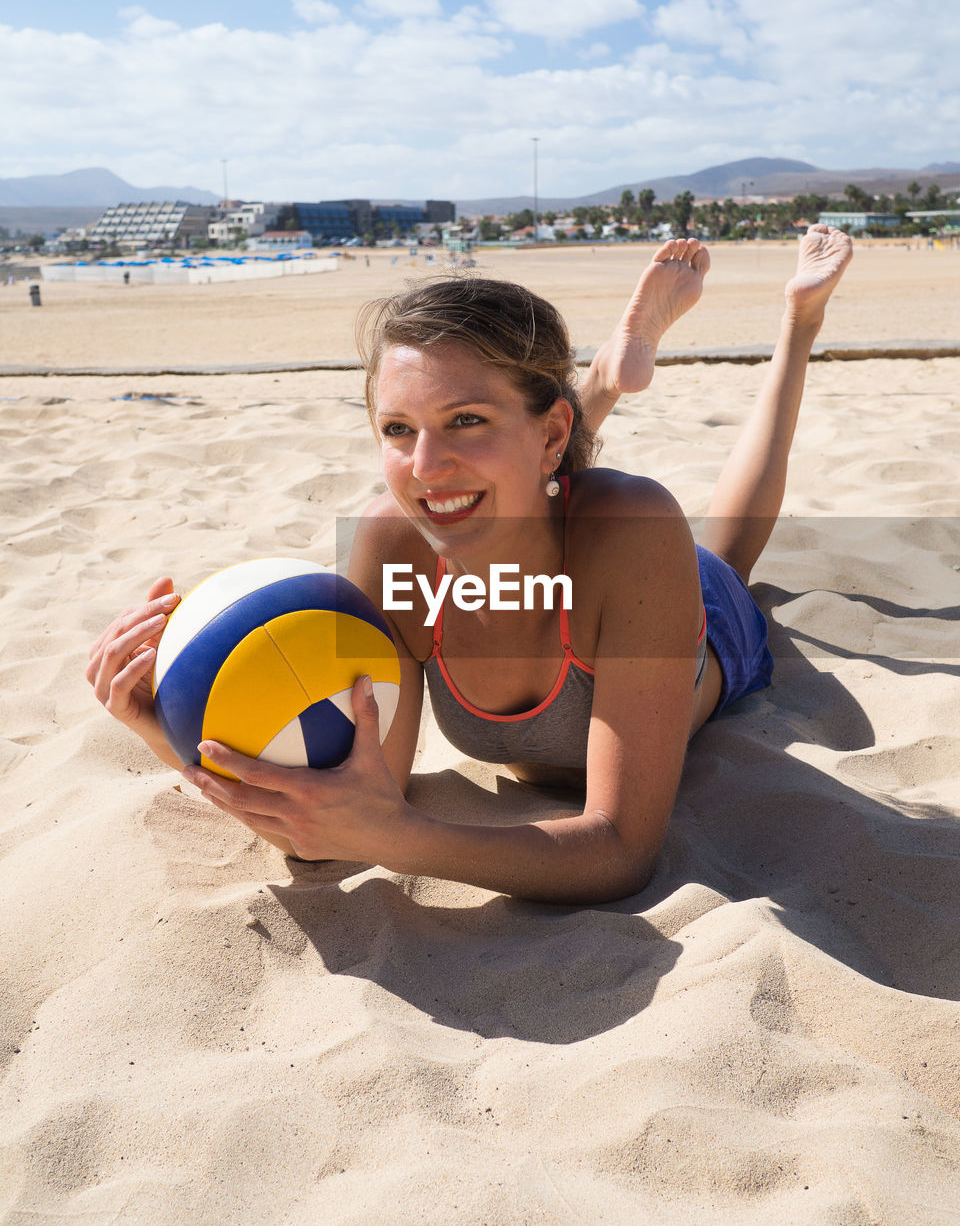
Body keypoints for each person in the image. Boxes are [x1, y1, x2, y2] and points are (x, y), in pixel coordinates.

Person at [87, 227, 853, 903]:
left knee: (729, 554)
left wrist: (398, 838)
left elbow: (619, 852)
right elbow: (337, 815)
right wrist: (177, 735)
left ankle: (797, 325)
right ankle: (598, 383)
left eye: (464, 419)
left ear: (555, 435)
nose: (424, 465)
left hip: (679, 607)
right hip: (547, 491)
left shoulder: (635, 526)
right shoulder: (393, 548)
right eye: (397, 428)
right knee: (494, 479)